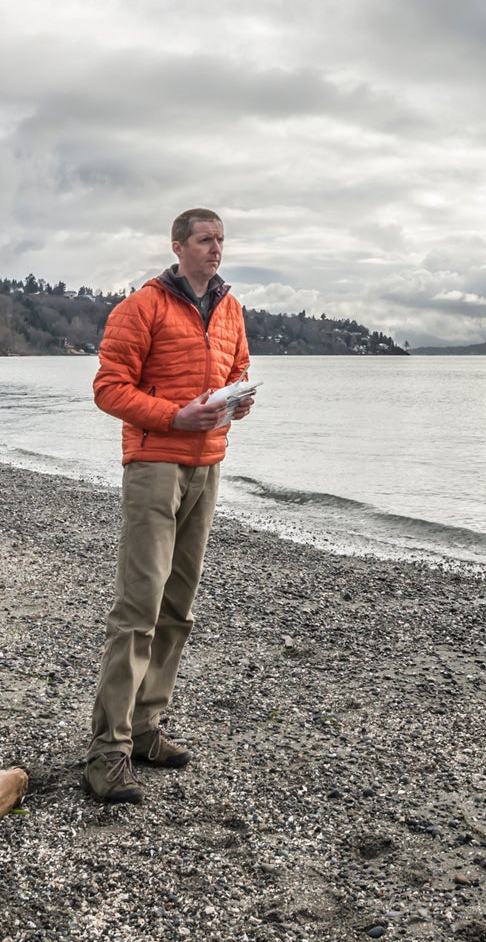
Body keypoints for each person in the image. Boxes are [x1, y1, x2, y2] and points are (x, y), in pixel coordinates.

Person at [84, 208, 254, 804]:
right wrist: (174, 416)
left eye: (221, 240)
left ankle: (147, 729)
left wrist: (238, 403)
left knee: (178, 607)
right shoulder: (143, 306)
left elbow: (237, 369)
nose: (216, 249)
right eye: (206, 240)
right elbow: (109, 388)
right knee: (139, 608)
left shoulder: (230, 307)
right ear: (178, 245)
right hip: (155, 466)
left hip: (208, 467)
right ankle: (107, 753)